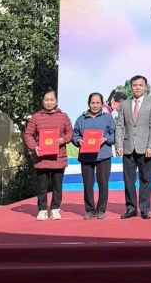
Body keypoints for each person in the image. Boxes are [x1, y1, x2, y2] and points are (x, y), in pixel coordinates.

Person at [115, 74, 151, 220]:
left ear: (145, 87)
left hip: (145, 147)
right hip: (128, 147)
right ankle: (131, 208)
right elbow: (120, 125)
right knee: (129, 180)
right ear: (131, 87)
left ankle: (145, 209)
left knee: (146, 179)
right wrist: (119, 144)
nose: (137, 88)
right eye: (135, 85)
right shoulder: (125, 104)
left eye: (140, 85)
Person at [23, 90, 73, 221]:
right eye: (46, 100)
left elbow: (70, 132)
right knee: (42, 186)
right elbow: (28, 134)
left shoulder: (64, 116)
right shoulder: (36, 117)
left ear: (56, 101)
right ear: (42, 101)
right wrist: (34, 146)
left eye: (52, 100)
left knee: (57, 186)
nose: (49, 102)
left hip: (58, 157)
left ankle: (55, 209)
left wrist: (64, 139)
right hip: (42, 158)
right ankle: (42, 210)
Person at [72, 92, 115, 220]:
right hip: (86, 155)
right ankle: (90, 210)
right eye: (93, 103)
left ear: (102, 104)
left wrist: (106, 139)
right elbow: (75, 135)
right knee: (87, 184)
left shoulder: (108, 118)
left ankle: (101, 209)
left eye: (98, 103)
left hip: (103, 156)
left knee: (103, 183)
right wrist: (78, 140)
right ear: (88, 104)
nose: (95, 105)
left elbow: (114, 135)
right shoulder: (81, 119)